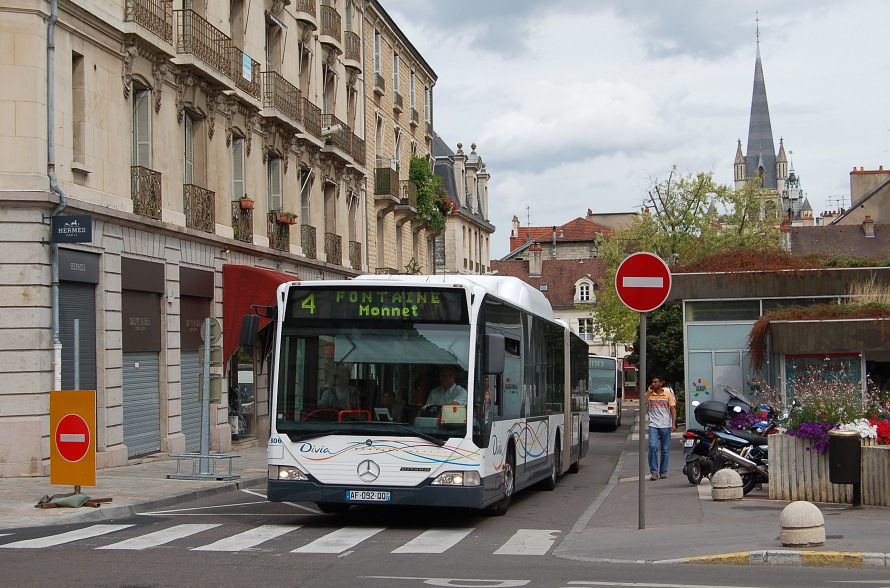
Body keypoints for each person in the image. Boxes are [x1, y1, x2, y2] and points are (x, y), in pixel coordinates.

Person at [646, 376, 677, 481]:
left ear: (661, 384)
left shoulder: (667, 394)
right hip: (653, 424)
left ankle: (663, 472)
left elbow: (672, 409)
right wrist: (649, 393)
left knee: (665, 450)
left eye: (655, 382)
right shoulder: (649, 394)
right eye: (652, 382)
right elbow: (643, 404)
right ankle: (654, 472)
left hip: (665, 425)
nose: (653, 384)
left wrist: (673, 424)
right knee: (653, 446)